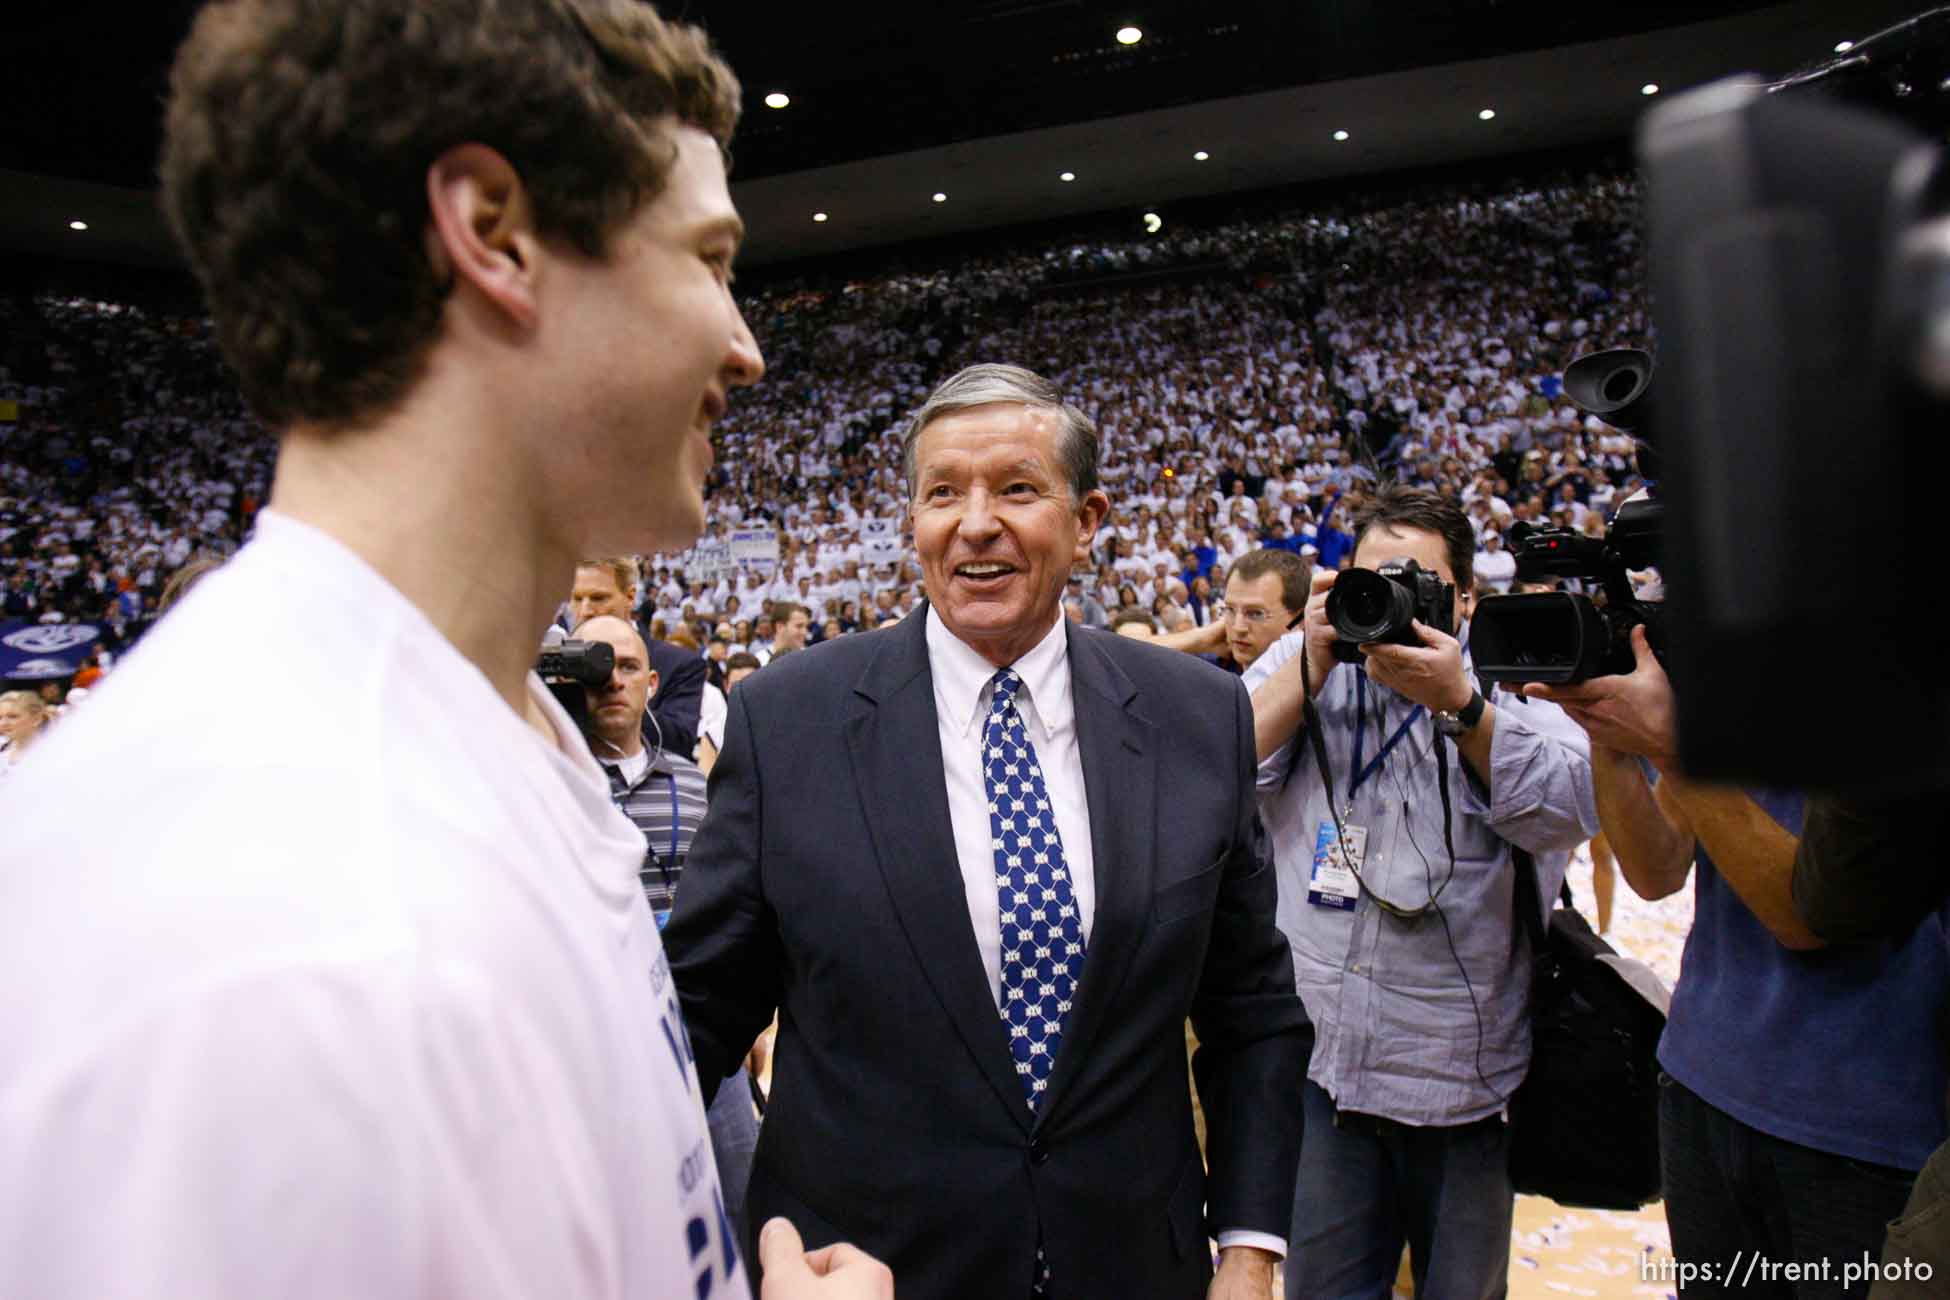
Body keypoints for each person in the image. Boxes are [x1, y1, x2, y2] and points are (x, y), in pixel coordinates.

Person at [0, 3, 892, 1298]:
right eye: (707, 259)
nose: (743, 345)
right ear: (495, 234)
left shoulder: (492, 739)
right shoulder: (279, 927)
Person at [664, 363, 1311, 1300]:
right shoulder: (786, 722)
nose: (974, 524)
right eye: (942, 494)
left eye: (1016, 488)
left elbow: (1252, 1013)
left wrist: (1252, 1254)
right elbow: (701, 1012)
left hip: (1134, 1266)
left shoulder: (1196, 716)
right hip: (861, 1273)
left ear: (1087, 522)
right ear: (913, 525)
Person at [1243, 484, 1597, 1300]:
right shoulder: (1313, 659)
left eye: (1417, 583)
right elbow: (1225, 767)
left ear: (1466, 598)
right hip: (1326, 1062)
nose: (1389, 600)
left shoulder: (1509, 677)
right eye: (1373, 579)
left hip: (1461, 1076)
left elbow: (1571, 806)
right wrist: (1313, 654)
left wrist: (1461, 706)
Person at [1529, 631, 1948, 1300]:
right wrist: (1607, 728)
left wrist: (1668, 746)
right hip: (1705, 1080)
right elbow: (1657, 865)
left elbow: (1810, 918)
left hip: (1866, 1119)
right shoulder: (1740, 652)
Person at [575, 611, 764, 1261]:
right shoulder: (552, 785)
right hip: (599, 1038)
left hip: (698, 1027)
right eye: (597, 667)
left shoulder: (693, 780)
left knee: (741, 1193)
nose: (613, 682)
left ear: (653, 682)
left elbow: (732, 908)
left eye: (627, 667)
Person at [568, 555, 707, 763]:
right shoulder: (556, 662)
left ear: (630, 597)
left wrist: (621, 703)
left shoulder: (678, 664)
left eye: (598, 598)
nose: (585, 611)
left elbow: (679, 744)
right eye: (577, 599)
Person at [1219, 548, 1309, 674]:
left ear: (1300, 619)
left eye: (1256, 613)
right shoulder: (1215, 669)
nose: (1238, 628)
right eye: (1230, 609)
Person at [0, 688, 50, 777]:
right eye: (0, 718)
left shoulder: (53, 754)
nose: (3, 723)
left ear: (36, 719)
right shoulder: (2, 749)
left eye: (12, 716)